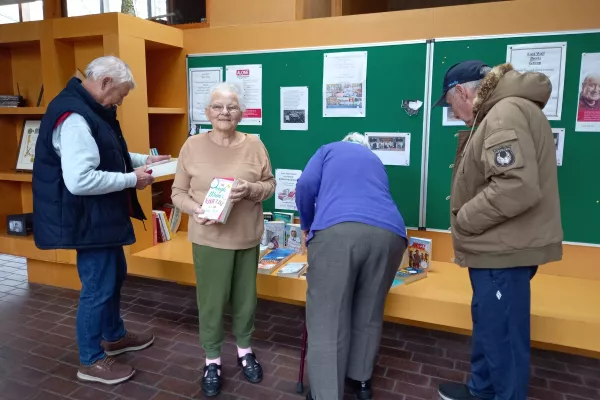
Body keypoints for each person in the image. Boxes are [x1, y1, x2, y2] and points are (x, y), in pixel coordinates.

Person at [32, 56, 170, 385]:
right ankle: (91, 359)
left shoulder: (91, 110)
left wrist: (143, 161)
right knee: (98, 285)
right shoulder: (76, 118)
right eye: (121, 94)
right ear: (105, 82)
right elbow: (80, 180)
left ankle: (114, 336)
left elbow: (109, 153)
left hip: (98, 217)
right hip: (85, 219)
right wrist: (131, 180)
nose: (121, 101)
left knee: (113, 274)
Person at [432, 60, 563, 400]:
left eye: (449, 104)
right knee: (491, 330)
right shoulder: (503, 111)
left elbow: (515, 186)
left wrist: (463, 219)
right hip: (496, 248)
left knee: (503, 341)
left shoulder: (504, 114)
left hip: (502, 252)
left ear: (461, 91)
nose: (453, 113)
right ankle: (480, 391)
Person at [171, 82, 275, 398]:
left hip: (246, 236)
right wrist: (195, 209)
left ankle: (245, 351)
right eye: (217, 106)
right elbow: (178, 193)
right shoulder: (191, 146)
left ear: (241, 114)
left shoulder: (255, 144)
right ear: (207, 112)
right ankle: (212, 360)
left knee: (246, 300)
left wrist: (252, 190)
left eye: (231, 107)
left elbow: (270, 184)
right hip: (209, 237)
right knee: (212, 301)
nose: (224, 112)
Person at [296, 132, 408, 400]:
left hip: (338, 231)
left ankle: (326, 393)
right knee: (368, 309)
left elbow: (305, 185)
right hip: (391, 235)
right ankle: (361, 381)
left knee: (328, 316)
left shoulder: (328, 149)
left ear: (344, 142)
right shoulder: (375, 159)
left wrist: (307, 224)